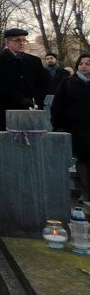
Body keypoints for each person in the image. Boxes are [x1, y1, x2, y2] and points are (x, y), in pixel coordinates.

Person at [50, 53, 90, 202]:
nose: (84, 66)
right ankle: (85, 190)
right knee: (82, 158)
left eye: (87, 64)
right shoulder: (69, 82)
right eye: (81, 64)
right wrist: (58, 125)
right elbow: (57, 105)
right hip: (76, 127)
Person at [0, 28, 49, 121]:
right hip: (9, 110)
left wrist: (35, 100)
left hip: (34, 109)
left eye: (24, 40)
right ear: (8, 43)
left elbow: (43, 83)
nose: (22, 43)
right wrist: (21, 100)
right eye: (18, 40)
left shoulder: (35, 61)